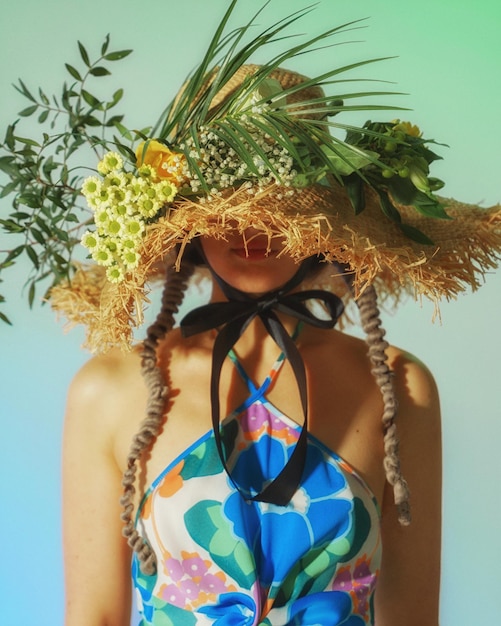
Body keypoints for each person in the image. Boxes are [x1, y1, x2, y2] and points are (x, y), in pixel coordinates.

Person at [1, 3, 499, 625]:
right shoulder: (108, 393)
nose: (250, 228)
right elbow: (95, 617)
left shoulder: (399, 389)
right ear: (186, 222)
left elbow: (415, 616)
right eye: (225, 205)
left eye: (279, 203)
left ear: (323, 219)